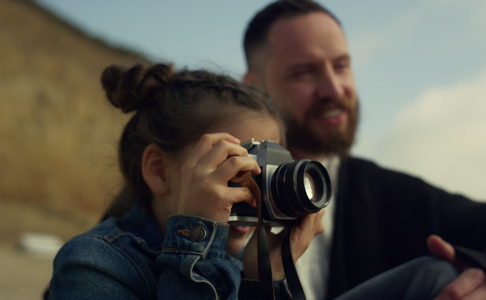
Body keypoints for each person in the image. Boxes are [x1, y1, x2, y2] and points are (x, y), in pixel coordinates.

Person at [47, 62, 458, 300]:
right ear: (158, 170)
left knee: (435, 277)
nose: (255, 187)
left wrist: (270, 274)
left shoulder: (242, 258)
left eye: (269, 165)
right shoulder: (93, 264)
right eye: (235, 163)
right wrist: (197, 240)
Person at [241, 1, 486, 299]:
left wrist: (478, 275)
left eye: (341, 66)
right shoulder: (215, 192)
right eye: (305, 72)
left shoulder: (391, 194)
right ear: (255, 88)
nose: (334, 88)